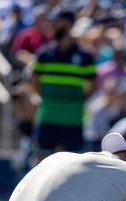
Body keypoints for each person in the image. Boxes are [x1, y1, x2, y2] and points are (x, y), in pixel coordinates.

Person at [31, 9, 95, 152]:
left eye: (56, 22)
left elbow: (92, 86)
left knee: (73, 164)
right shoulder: (43, 54)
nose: (52, 26)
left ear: (68, 24)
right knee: (42, 161)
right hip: (47, 118)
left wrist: (76, 100)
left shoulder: (85, 57)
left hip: (73, 120)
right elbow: (34, 81)